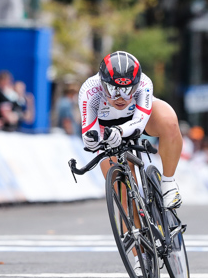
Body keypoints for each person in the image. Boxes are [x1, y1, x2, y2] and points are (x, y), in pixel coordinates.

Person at [78, 51, 183, 210]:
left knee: (169, 122)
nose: (120, 97)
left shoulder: (144, 83)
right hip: (105, 128)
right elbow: (89, 132)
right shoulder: (89, 90)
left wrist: (119, 131)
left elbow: (139, 123)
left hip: (138, 118)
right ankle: (132, 233)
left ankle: (168, 183)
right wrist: (92, 140)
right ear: (102, 83)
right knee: (123, 194)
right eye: (113, 90)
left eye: (128, 91)